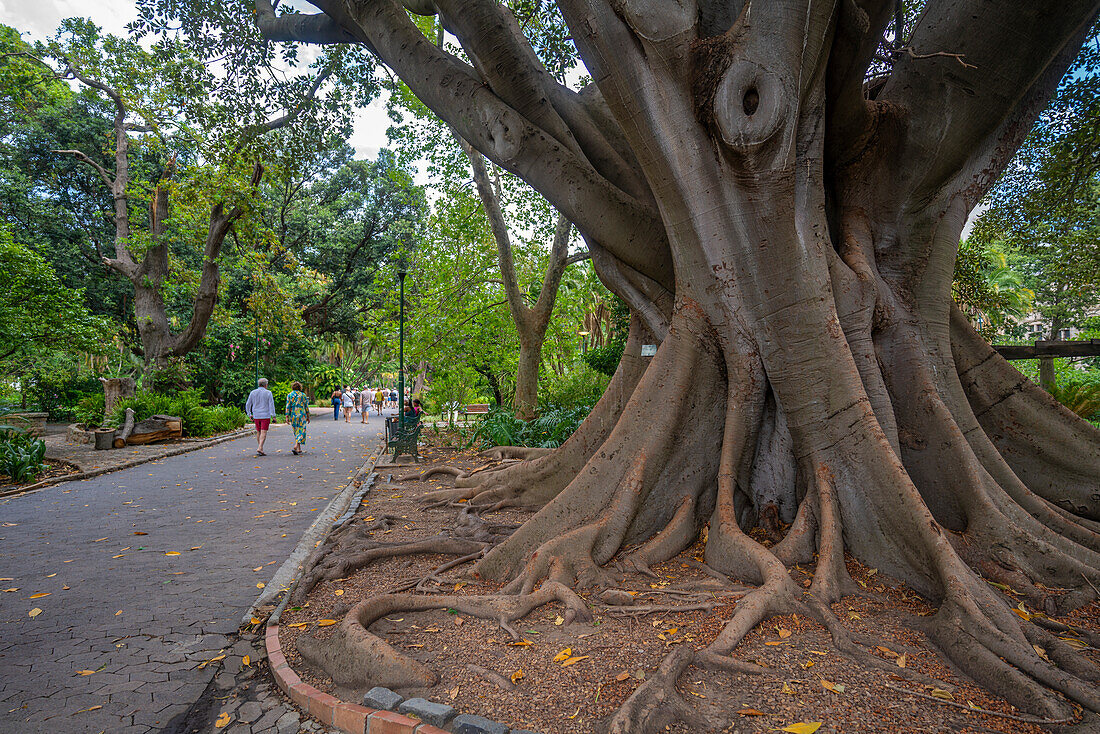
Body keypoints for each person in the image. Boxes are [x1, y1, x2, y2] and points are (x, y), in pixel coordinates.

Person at [244, 378, 277, 456]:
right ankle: (260, 447)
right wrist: (274, 416)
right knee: (264, 432)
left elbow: (248, 404)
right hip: (265, 415)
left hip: (256, 415)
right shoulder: (268, 393)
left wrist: (249, 414)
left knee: (258, 431)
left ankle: (260, 448)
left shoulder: (253, 392)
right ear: (266, 385)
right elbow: (271, 405)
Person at [285, 381, 311, 455]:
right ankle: (296, 446)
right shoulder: (303, 395)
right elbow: (306, 406)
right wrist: (308, 416)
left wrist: (287, 416)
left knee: (296, 430)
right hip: (301, 414)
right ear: (300, 387)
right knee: (301, 430)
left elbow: (288, 406)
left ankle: (299, 449)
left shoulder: (289, 395)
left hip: (293, 414)